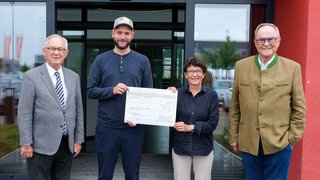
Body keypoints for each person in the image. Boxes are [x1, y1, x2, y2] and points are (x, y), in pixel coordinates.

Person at [228, 23, 306, 180]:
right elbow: (235, 106)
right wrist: (234, 137)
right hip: (249, 142)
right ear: (255, 42)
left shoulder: (292, 68)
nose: (266, 43)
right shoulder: (241, 66)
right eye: (261, 39)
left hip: (279, 143)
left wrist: (291, 139)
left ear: (278, 41)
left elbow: (299, 108)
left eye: (271, 39)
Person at [87, 16, 153, 180]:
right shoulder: (101, 60)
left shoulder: (142, 60)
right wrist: (112, 90)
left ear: (132, 35)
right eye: (119, 32)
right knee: (104, 175)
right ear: (112, 34)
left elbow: (148, 94)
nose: (122, 36)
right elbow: (90, 91)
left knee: (132, 175)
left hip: (133, 129)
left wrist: (139, 117)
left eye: (126, 33)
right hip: (107, 128)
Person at [17, 34, 84, 180]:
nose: (56, 52)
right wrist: (26, 143)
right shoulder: (31, 76)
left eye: (60, 49)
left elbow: (78, 110)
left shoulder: (74, 77)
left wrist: (78, 139)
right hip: (39, 146)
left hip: (66, 145)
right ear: (44, 51)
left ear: (66, 53)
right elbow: (24, 113)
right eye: (52, 48)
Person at [168, 56, 219, 180]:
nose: (194, 74)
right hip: (181, 147)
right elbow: (166, 117)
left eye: (198, 71)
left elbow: (212, 123)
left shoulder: (211, 95)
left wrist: (190, 127)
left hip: (203, 149)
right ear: (185, 75)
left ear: (203, 75)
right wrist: (166, 97)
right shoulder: (176, 94)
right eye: (191, 71)